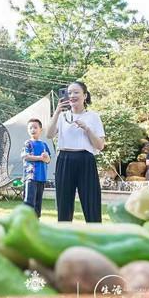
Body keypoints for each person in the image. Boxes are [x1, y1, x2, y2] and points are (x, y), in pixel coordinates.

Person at [46, 81, 105, 222]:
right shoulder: (61, 116)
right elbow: (49, 134)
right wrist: (57, 112)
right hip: (65, 159)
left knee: (91, 200)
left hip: (85, 159)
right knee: (63, 202)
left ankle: (95, 233)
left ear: (85, 95)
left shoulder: (93, 117)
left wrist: (87, 129)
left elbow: (100, 145)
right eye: (69, 92)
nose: (72, 95)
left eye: (76, 92)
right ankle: (64, 234)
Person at [21, 118, 51, 218]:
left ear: (41, 130)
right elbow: (25, 156)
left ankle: (35, 224)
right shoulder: (28, 143)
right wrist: (40, 158)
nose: (33, 130)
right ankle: (25, 223)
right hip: (31, 177)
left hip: (41, 178)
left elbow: (48, 160)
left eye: (35, 127)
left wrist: (46, 158)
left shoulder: (44, 145)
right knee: (29, 202)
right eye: (30, 128)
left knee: (38, 203)